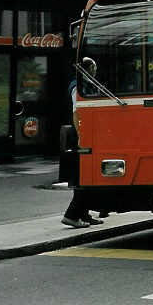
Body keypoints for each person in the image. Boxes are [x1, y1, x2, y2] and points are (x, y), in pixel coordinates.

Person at [62, 75, 104, 228]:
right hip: (81, 137)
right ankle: (72, 215)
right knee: (85, 177)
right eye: (93, 69)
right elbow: (76, 112)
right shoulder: (78, 86)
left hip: (87, 134)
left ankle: (83, 214)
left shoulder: (87, 84)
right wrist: (81, 136)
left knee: (86, 176)